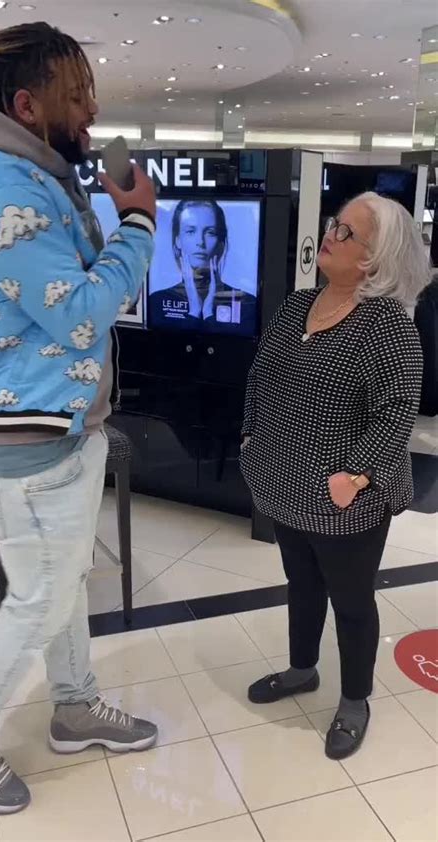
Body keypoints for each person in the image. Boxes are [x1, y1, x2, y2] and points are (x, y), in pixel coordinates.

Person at [0, 22, 158, 814]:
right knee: (40, 596)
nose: (92, 111)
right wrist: (138, 223)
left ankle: (74, 704)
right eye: (76, 97)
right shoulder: (1, 186)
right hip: (24, 439)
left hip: (54, 423)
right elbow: (78, 315)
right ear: (25, 104)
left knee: (62, 579)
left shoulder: (29, 172)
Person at [241, 192, 430, 760]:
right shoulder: (298, 304)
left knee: (351, 601)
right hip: (284, 484)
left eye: (347, 232)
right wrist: (250, 436)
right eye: (335, 224)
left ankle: (354, 701)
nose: (330, 234)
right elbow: (259, 375)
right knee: (301, 584)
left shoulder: (388, 327)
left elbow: (397, 412)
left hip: (348, 499)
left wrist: (356, 476)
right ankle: (303, 670)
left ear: (375, 258)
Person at [149, 199, 257, 334]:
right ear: (178, 241)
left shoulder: (246, 303)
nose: (200, 242)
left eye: (210, 232)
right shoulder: (157, 301)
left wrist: (208, 313)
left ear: (221, 244)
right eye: (190, 231)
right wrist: (194, 311)